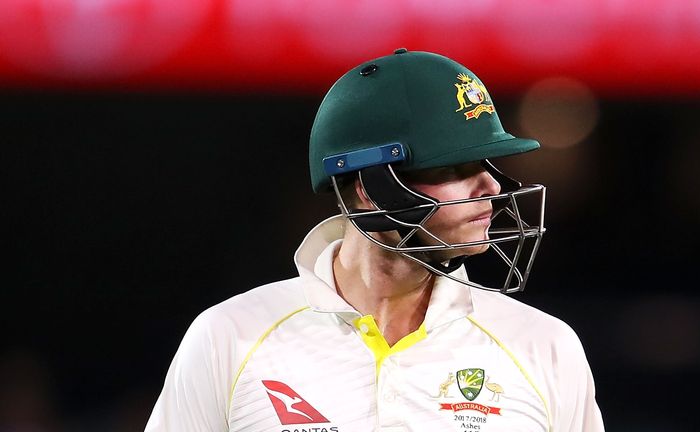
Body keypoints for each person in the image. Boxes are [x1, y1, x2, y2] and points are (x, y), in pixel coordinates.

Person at [146, 48, 604, 432]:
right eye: (451, 169)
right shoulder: (229, 337)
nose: (491, 188)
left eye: (485, 163)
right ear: (368, 188)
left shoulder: (544, 346)